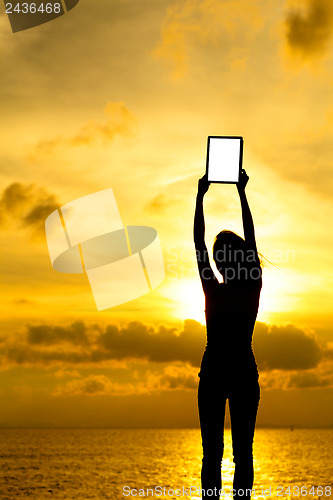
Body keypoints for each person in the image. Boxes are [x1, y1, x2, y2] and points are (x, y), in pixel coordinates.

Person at [194, 169, 262, 500]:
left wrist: (201, 195)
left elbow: (198, 243)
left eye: (220, 253)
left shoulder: (215, 288)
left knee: (214, 454)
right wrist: (241, 192)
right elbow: (247, 240)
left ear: (223, 261)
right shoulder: (251, 286)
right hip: (238, 372)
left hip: (217, 372)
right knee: (239, 454)